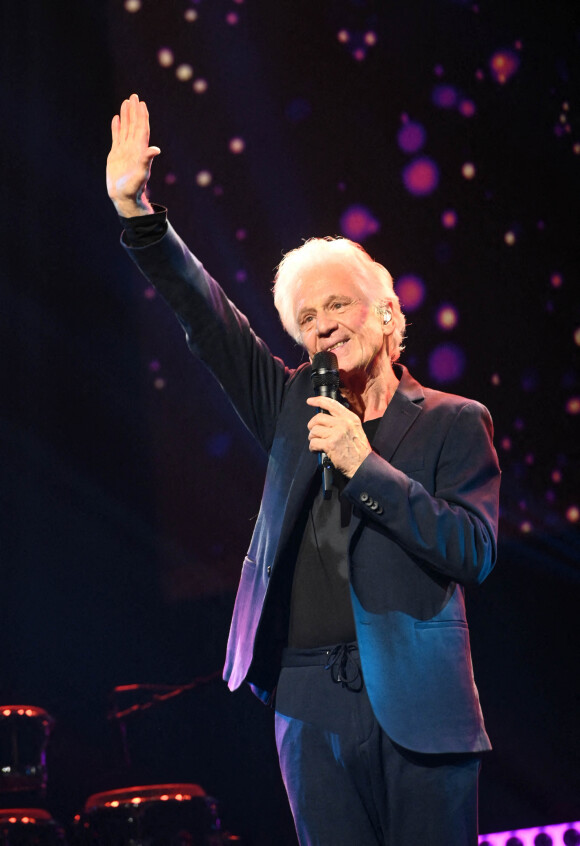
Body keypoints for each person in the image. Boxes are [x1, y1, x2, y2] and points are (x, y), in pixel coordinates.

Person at [107, 93, 501, 846]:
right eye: (307, 323)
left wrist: (366, 464)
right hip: (305, 697)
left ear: (386, 312)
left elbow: (472, 552)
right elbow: (211, 320)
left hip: (418, 702)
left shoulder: (455, 420)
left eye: (337, 308)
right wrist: (139, 215)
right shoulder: (294, 405)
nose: (323, 328)